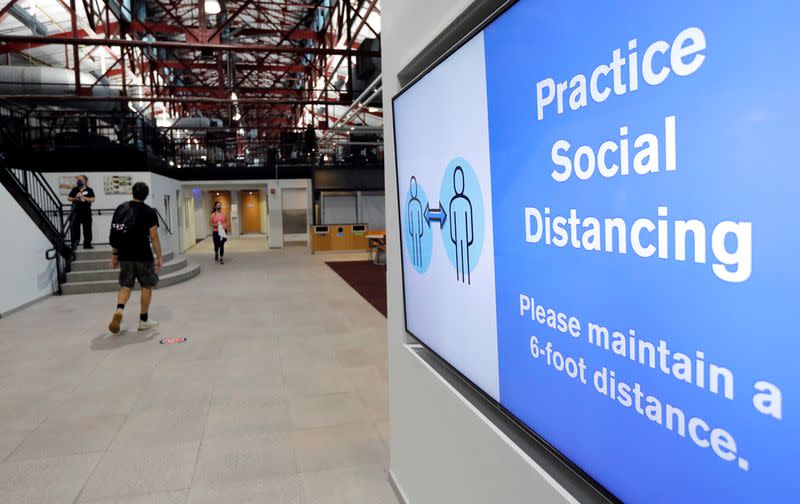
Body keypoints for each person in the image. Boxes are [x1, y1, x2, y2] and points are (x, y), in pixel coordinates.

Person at [107, 182, 163, 334]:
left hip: (124, 254)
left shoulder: (121, 208)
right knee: (146, 286)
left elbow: (115, 233)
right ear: (146, 194)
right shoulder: (149, 211)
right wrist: (159, 257)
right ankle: (143, 320)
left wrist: (114, 254)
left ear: (132, 192)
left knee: (126, 285)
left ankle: (119, 310)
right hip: (143, 255)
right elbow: (154, 236)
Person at [449, 166, 474, 284]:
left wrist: (470, 239)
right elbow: (453, 223)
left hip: (464, 236)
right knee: (459, 260)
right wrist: (454, 238)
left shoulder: (466, 202)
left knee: (466, 260)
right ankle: (461, 278)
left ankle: (465, 279)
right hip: (458, 236)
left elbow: (469, 221)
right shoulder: (453, 203)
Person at [68, 175, 96, 249]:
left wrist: (83, 197)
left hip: (86, 213)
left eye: (81, 179)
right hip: (75, 213)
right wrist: (76, 198)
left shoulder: (89, 190)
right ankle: (75, 245)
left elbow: (93, 199)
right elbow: (69, 198)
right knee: (75, 230)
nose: (79, 181)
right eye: (78, 179)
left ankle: (87, 244)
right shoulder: (74, 189)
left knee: (87, 229)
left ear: (85, 181)